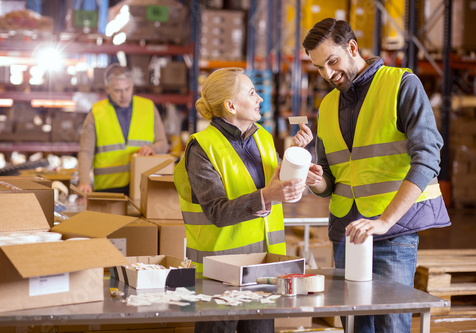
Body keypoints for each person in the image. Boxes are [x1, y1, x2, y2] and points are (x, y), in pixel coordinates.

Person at [295, 18, 451, 332]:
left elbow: (428, 158)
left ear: (352, 47)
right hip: (345, 233)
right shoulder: (327, 106)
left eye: (332, 61)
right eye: (318, 68)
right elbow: (331, 178)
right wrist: (318, 180)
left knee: (390, 325)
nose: (327, 74)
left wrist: (384, 221)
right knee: (354, 327)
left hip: (390, 234)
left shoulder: (401, 85)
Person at [174, 67, 309, 333]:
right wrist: (267, 195)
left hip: (263, 269)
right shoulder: (201, 147)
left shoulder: (264, 138)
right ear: (230, 105)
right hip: (219, 274)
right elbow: (217, 211)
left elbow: (276, 187)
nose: (260, 99)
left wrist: (299, 163)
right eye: (252, 92)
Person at [78, 63, 169, 195]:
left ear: (132, 85)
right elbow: (86, 152)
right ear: (107, 88)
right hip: (108, 187)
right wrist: (84, 181)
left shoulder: (148, 107)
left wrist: (153, 149)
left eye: (127, 89)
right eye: (118, 90)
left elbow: (163, 144)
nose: (124, 95)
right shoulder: (96, 113)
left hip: (142, 184)